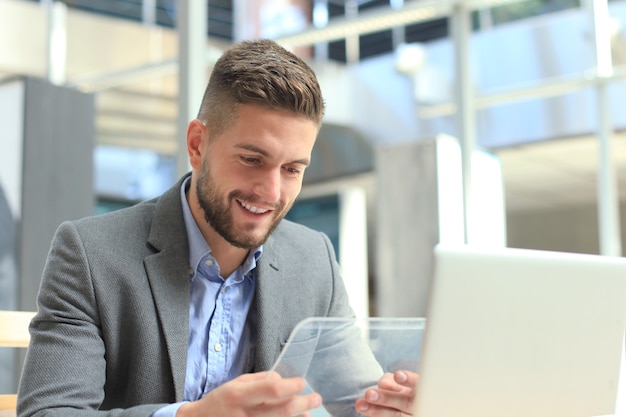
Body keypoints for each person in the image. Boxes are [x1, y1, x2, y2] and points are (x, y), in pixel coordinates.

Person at [16, 39, 416, 417]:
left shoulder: (312, 260)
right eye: (251, 159)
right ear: (197, 145)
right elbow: (49, 412)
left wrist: (396, 403)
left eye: (292, 169)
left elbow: (360, 399)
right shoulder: (90, 255)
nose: (271, 192)